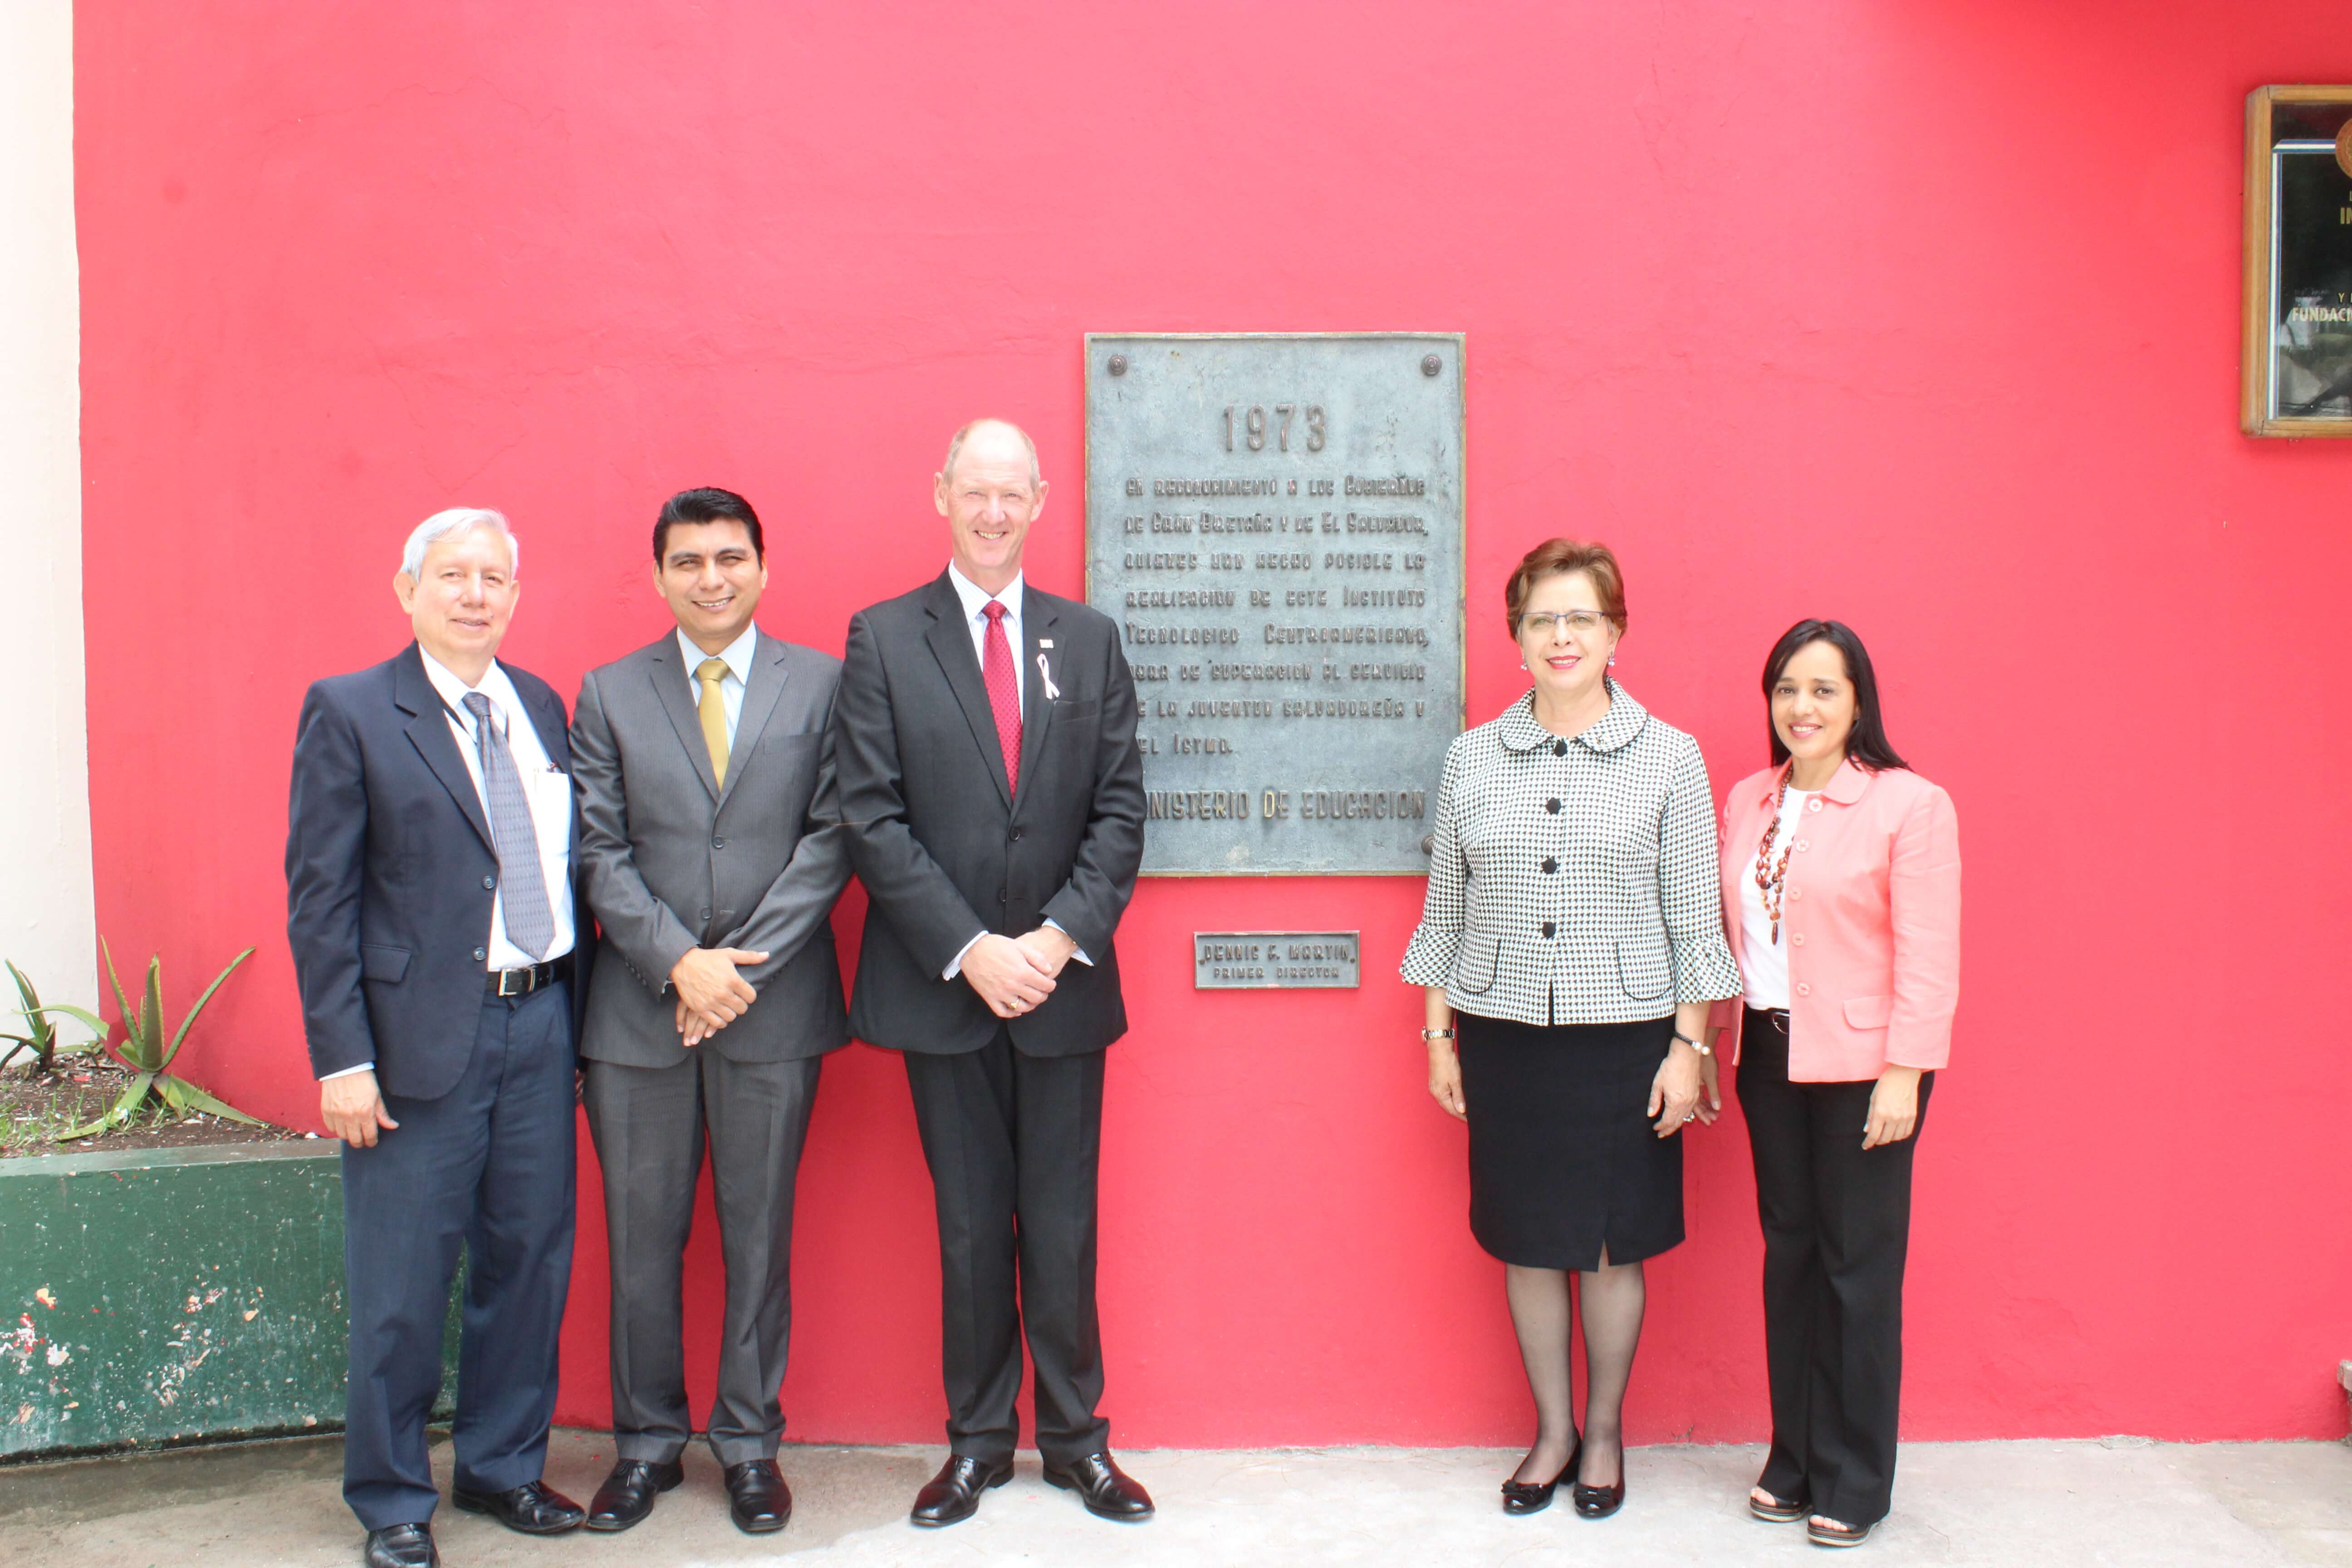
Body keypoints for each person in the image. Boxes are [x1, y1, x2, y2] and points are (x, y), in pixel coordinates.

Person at [835, 418, 1152, 1528]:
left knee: (1064, 1225)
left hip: (1064, 987)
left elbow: (1120, 813)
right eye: (975, 492)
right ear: (942, 495)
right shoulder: (883, 638)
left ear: (1041, 500)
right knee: (970, 1227)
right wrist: (974, 951)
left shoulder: (1091, 639)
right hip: (946, 990)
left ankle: (1076, 1443)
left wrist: (1055, 941)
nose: (993, 512)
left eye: (1012, 494)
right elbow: (869, 816)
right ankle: (976, 1445)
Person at [1401, 538, 1740, 1523]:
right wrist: (1437, 1038)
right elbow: (1444, 912)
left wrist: (1691, 1047)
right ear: (1515, 638)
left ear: (1615, 633)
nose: (1562, 636)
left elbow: (1693, 919)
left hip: (1626, 1038)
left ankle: (1602, 1432)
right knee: (1527, 1240)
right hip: (1506, 1034)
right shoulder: (1472, 757)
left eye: (1581, 618)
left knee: (1605, 1247)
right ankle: (1549, 1433)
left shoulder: (1671, 758)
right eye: (1543, 618)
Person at [286, 509, 587, 1568]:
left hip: (542, 1022)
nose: (473, 594)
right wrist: (343, 1060)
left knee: (529, 1260)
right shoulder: (355, 711)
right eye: (451, 575)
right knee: (404, 1278)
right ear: (406, 589)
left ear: (515, 594)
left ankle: (504, 1469)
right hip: (414, 1047)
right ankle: (392, 1497)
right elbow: (320, 902)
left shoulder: (541, 706)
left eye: (493, 578)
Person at [568, 487, 852, 1536]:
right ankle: (644, 1445)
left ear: (764, 567)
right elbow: (596, 852)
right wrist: (680, 966)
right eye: (688, 562)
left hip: (772, 1013)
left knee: (758, 1233)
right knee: (641, 1239)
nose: (712, 578)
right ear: (659, 578)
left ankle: (748, 1444)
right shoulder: (607, 693)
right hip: (641, 1018)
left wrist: (736, 975)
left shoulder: (823, 684)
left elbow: (833, 837)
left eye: (731, 558)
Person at [1710, 619, 1959, 1549]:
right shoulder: (1748, 798)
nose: (1802, 707)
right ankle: (1796, 1457)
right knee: (1793, 1259)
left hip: (1866, 1069)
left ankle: (1857, 1476)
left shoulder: (1909, 804)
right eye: (1786, 688)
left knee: (1859, 1272)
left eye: (1823, 688)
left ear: (1859, 700)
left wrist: (1906, 1073)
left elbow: (1930, 959)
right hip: (1769, 1059)